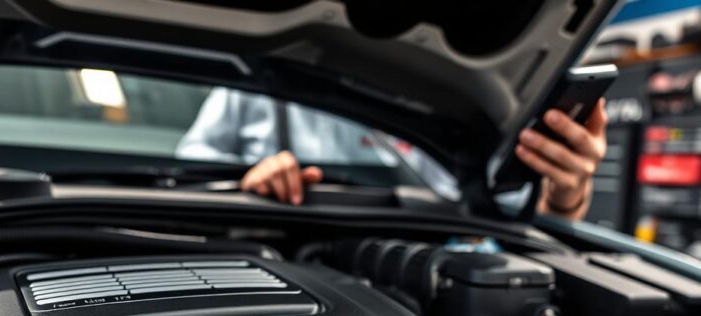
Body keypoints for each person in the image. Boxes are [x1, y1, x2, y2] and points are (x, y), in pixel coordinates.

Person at [176, 88, 607, 220]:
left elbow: (528, 218)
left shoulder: (453, 94)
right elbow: (186, 186)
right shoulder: (253, 89)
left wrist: (568, 190)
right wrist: (246, 182)